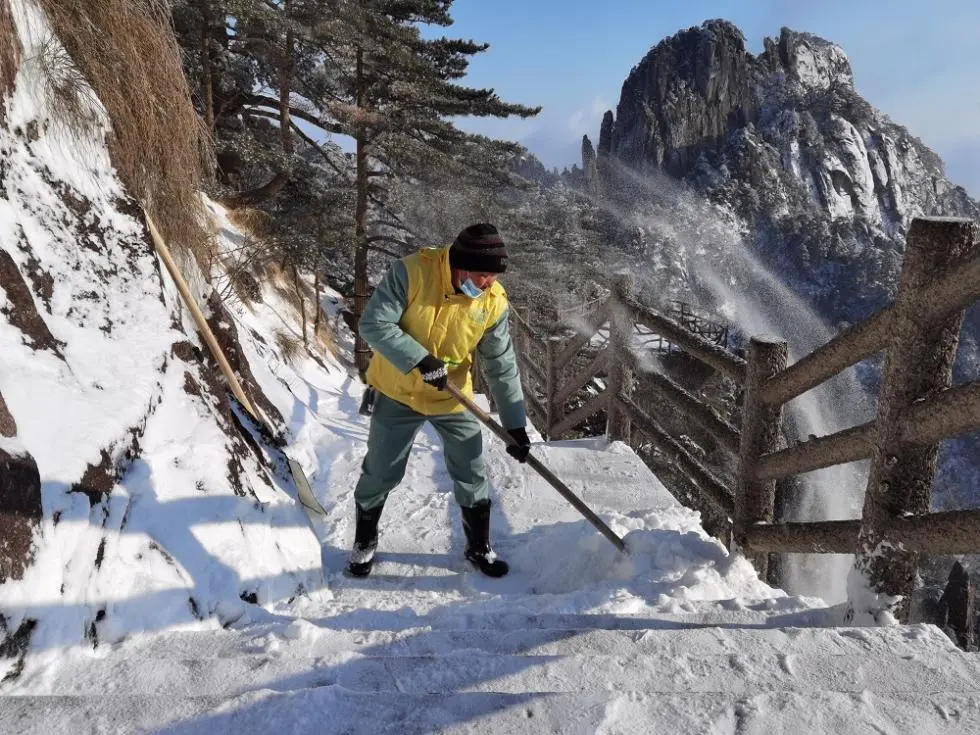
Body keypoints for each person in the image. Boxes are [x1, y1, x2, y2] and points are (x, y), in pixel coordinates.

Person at [347, 223, 531, 578]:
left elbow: (500, 363)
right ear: (460, 265)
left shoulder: (493, 303)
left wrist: (515, 425)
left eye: (493, 276)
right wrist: (419, 359)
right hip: (398, 391)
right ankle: (364, 540)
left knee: (471, 469)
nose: (488, 283)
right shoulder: (412, 272)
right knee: (380, 471)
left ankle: (479, 546)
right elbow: (374, 324)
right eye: (482, 276)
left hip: (451, 395)